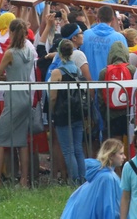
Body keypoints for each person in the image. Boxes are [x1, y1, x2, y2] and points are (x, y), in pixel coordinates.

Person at [0, 19, 36, 188]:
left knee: (1, 138)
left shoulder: (10, 52)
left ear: (11, 32)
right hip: (26, 97)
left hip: (13, 98)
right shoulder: (30, 51)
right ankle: (24, 180)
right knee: (21, 140)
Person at [49, 39, 87, 184]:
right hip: (77, 112)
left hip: (63, 113)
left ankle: (75, 180)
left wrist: (52, 111)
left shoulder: (57, 72)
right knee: (78, 148)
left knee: (67, 150)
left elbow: (53, 96)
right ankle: (83, 179)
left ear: (59, 53)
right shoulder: (77, 70)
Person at [61, 138, 126, 219]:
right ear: (111, 156)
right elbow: (108, 208)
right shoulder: (107, 177)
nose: (124, 157)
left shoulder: (98, 174)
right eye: (121, 154)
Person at [81, 6, 127, 80]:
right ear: (113, 19)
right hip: (111, 85)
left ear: (97, 18)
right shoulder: (119, 38)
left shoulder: (85, 35)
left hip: (89, 85)